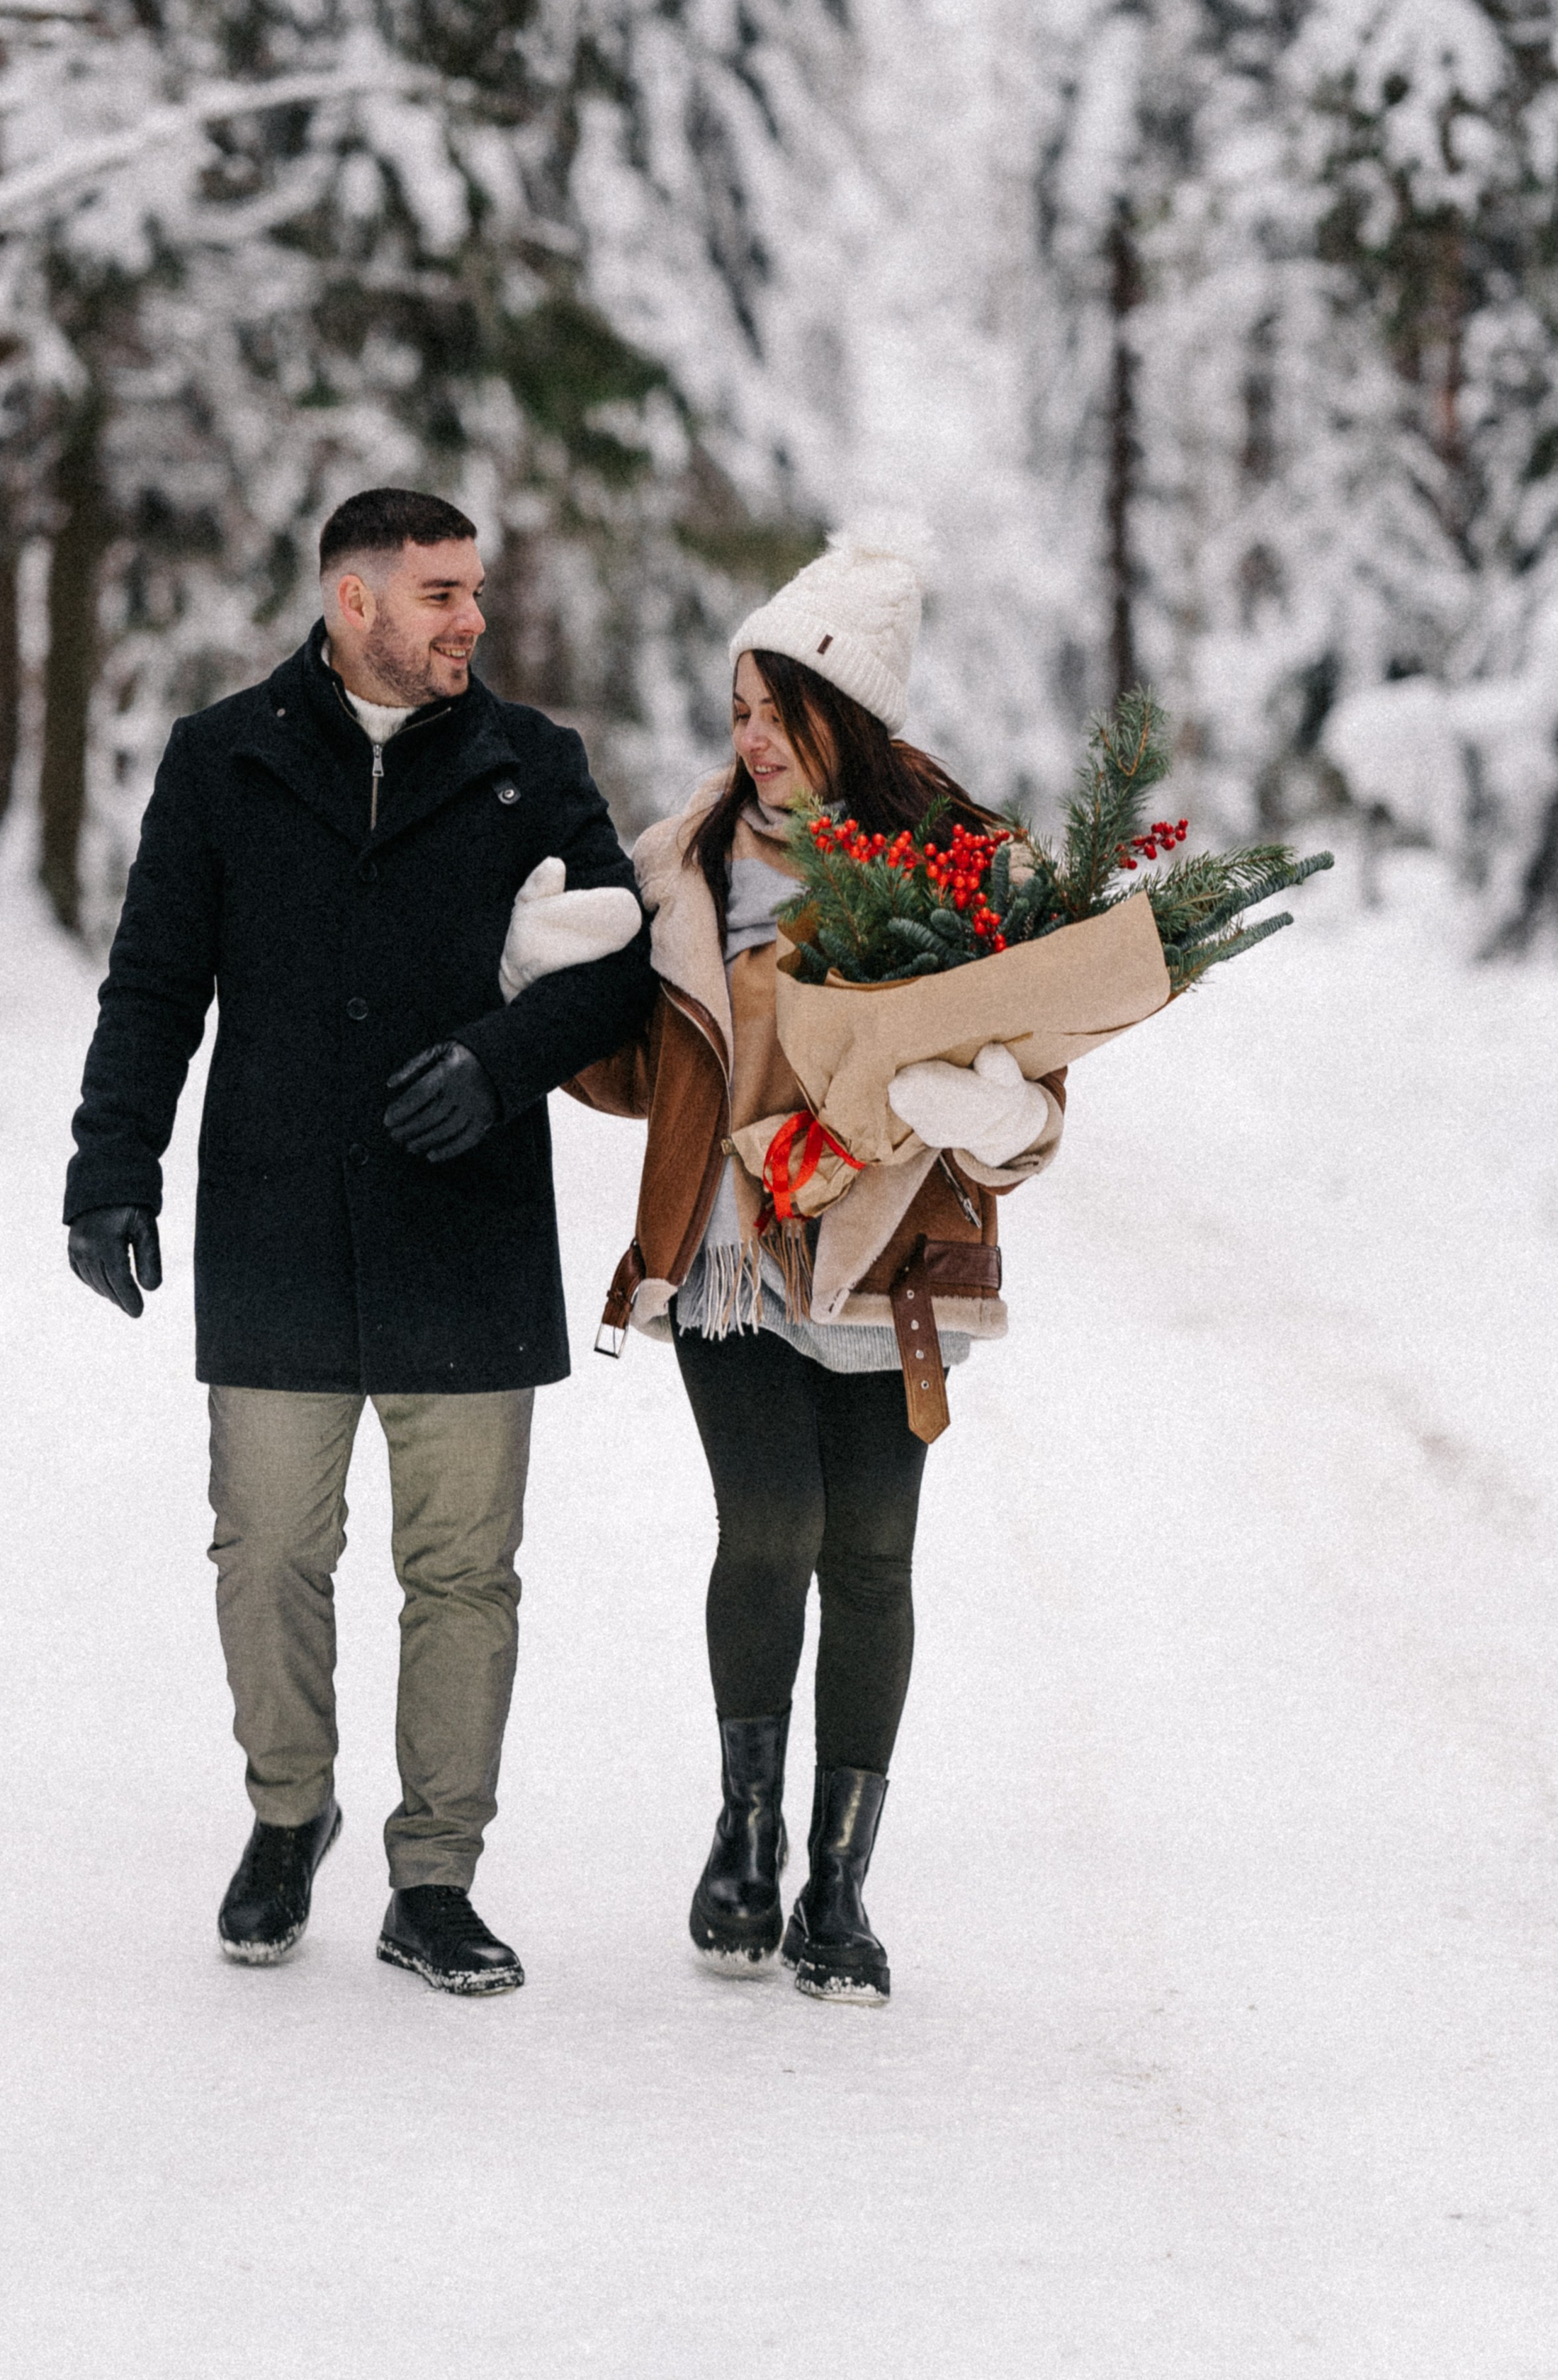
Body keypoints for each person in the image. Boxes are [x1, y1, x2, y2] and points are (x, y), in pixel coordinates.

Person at [64, 487, 653, 1993]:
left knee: (463, 1569)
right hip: (275, 1221)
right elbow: (151, 983)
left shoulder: (534, 767)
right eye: (440, 593)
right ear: (353, 601)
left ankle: (435, 1876)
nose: (470, 619)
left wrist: (497, 1063)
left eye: (474, 592)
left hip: (463, 1228)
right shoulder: (223, 760)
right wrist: (108, 1168)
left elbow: (618, 968)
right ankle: (286, 1812)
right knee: (266, 1547)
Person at [572, 527, 1065, 2005]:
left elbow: (1035, 1096)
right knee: (770, 1524)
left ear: (843, 718)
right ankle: (742, 1835)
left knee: (869, 1557)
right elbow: (628, 1072)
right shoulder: (690, 861)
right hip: (731, 1250)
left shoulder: (966, 867)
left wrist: (990, 1113)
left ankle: (836, 1885)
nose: (754, 746)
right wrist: (552, 981)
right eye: (738, 716)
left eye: (777, 719)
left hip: (892, 1256)